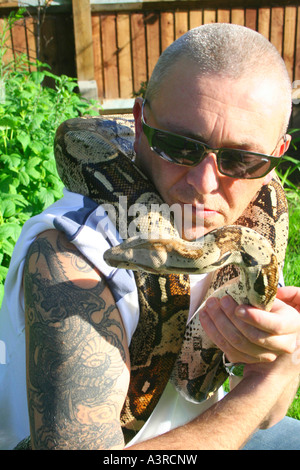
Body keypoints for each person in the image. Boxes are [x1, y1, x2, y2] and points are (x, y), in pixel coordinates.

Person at [0, 23, 300, 451]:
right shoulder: (71, 255)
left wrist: (282, 360)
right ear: (138, 123)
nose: (205, 184)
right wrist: (269, 379)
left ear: (275, 156)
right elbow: (257, 403)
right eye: (179, 145)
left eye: (242, 158)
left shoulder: (251, 228)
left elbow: (269, 416)